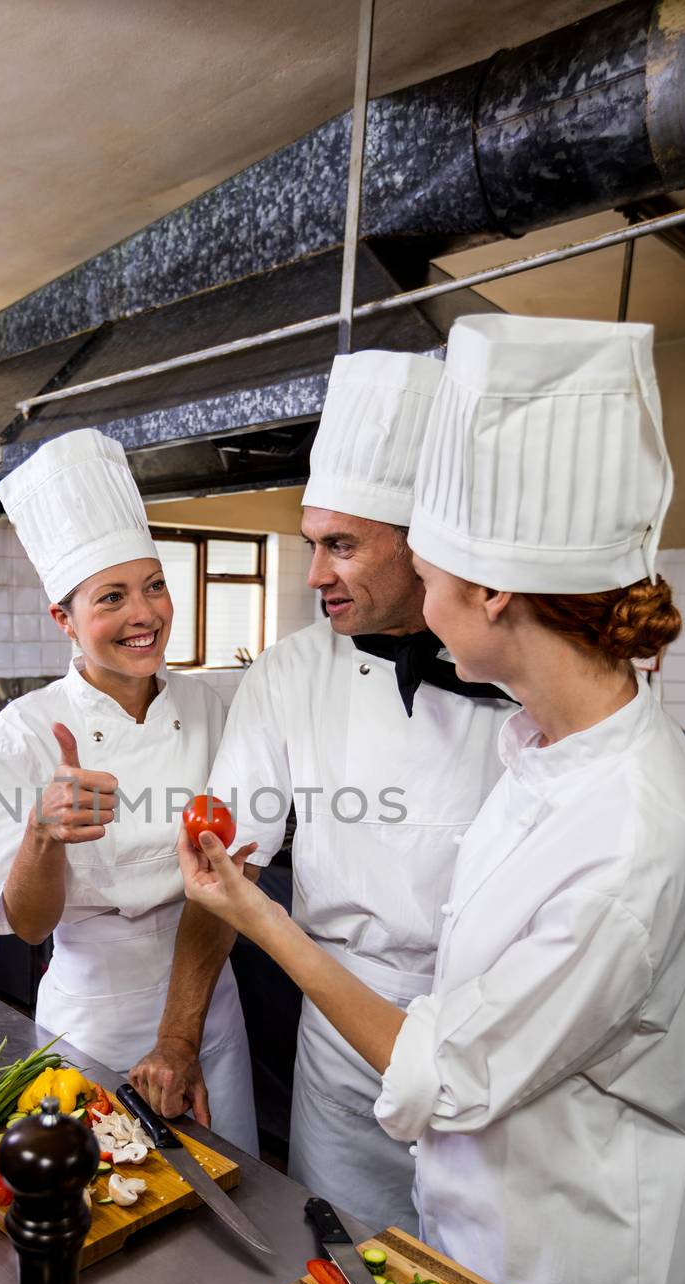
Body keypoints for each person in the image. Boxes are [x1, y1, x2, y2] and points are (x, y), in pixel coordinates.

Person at [177, 313, 685, 1284]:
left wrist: (256, 917)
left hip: (566, 1245)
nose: (411, 596)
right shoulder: (544, 745)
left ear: (487, 589)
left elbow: (445, 1065)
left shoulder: (626, 826)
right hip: (435, 1133)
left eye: (423, 566)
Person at [131, 351, 513, 1232]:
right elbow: (220, 863)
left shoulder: (516, 668)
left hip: (496, 1043)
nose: (312, 576)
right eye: (312, 545)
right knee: (342, 1274)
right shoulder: (288, 674)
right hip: (341, 1043)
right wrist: (179, 1037)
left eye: (340, 546)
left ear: (424, 544)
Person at [0, 428, 257, 1153]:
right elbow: (28, 927)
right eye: (112, 597)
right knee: (106, 1204)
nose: (145, 613)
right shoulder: (24, 732)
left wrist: (180, 1032)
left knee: (233, 1196)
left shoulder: (209, 708)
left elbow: (232, 874)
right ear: (63, 621)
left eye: (154, 585)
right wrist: (42, 832)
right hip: (90, 1017)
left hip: (206, 1004)